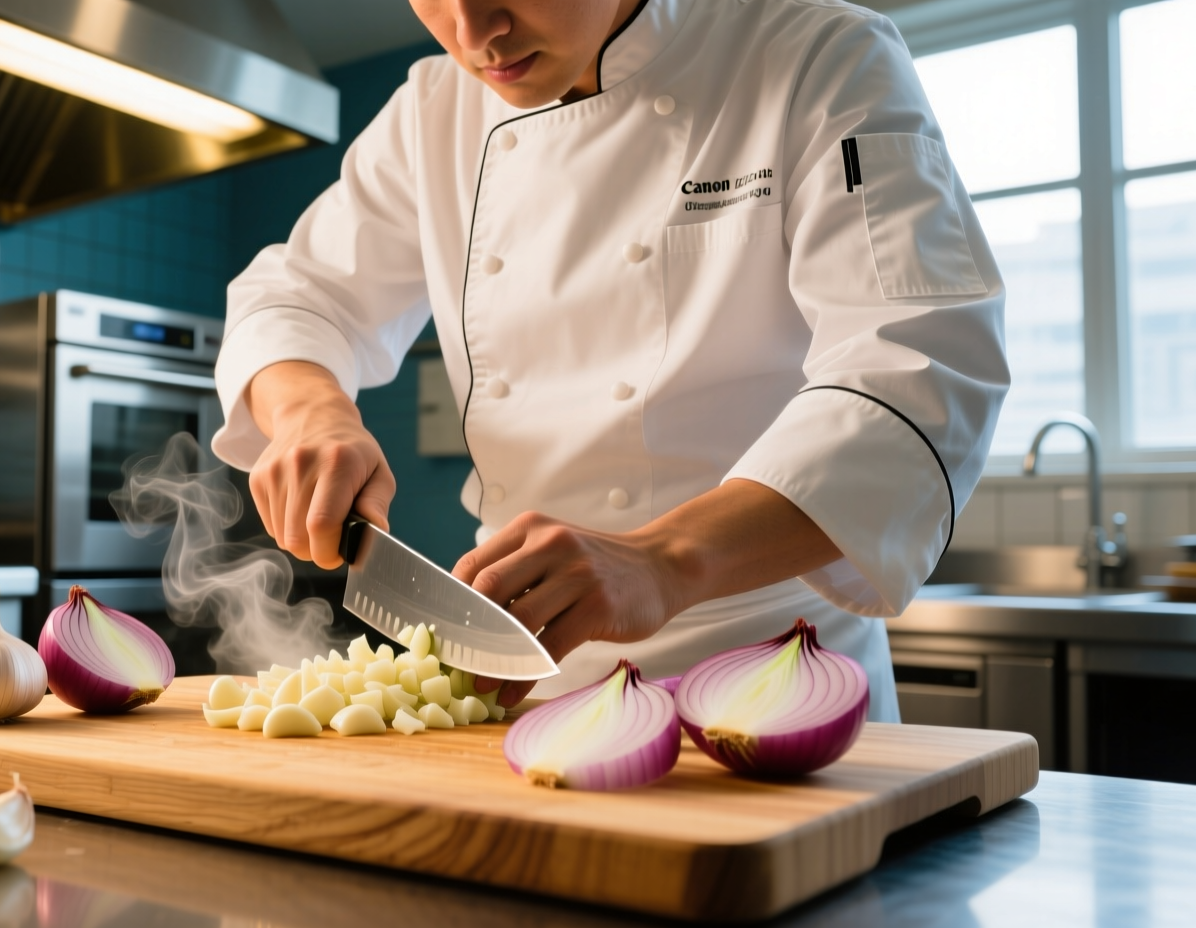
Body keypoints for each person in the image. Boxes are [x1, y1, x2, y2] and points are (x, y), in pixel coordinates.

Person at [211, 0, 1008, 718]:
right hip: (520, 680)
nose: (473, 30)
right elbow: (296, 296)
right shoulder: (432, 110)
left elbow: (919, 362)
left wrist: (663, 561)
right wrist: (311, 414)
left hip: (772, 681)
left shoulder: (814, 54)